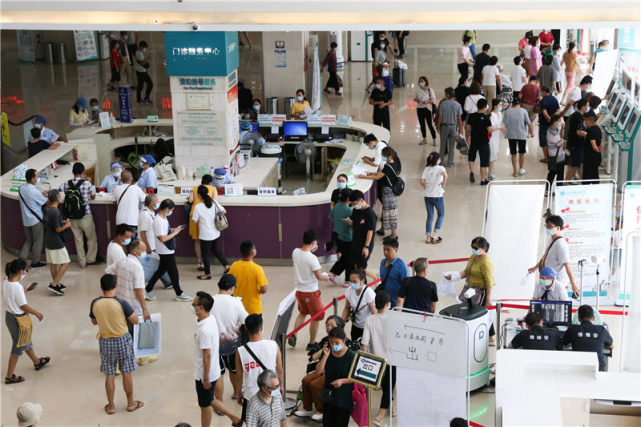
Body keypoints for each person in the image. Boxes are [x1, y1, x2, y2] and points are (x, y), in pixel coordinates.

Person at [90, 274, 143, 414]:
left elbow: (94, 321)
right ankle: (131, 403)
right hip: (122, 340)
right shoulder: (122, 303)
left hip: (105, 341)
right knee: (126, 372)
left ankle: (111, 406)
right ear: (116, 286)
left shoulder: (95, 303)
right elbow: (135, 320)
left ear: (101, 288)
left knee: (109, 374)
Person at [191, 291, 241, 427]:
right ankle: (235, 418)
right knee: (209, 399)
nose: (192, 307)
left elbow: (206, 355)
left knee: (205, 405)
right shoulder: (210, 318)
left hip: (205, 374)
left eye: (194, 304)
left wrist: (205, 378)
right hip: (212, 370)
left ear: (200, 308)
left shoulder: (204, 330)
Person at [105, 239, 157, 365]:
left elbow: (108, 271)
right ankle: (137, 357)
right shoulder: (137, 267)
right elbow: (139, 290)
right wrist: (145, 308)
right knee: (136, 331)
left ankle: (140, 355)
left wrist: (120, 282)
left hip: (121, 303)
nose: (145, 251)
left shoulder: (121, 261)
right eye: (143, 249)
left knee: (124, 331)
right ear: (135, 251)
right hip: (134, 306)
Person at [3, 259, 50, 385]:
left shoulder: (6, 281)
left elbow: (13, 298)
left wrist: (26, 291)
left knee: (25, 340)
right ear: (19, 271)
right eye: (24, 269)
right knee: (18, 347)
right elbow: (23, 305)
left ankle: (36, 361)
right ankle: (9, 377)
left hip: (9, 317)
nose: (25, 272)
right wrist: (37, 313)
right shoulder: (17, 287)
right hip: (19, 319)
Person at [295, 316, 347, 422]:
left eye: (332, 325)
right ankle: (307, 408)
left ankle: (322, 410)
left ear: (340, 327)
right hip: (322, 369)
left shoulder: (345, 342)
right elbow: (312, 357)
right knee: (306, 380)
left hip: (335, 373)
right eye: (327, 325)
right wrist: (323, 350)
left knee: (315, 384)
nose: (329, 327)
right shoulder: (325, 340)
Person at [446, 237, 496, 344]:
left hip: (480, 292)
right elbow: (466, 272)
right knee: (470, 311)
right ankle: (486, 336)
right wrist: (454, 277)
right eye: (472, 247)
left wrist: (488, 299)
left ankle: (485, 336)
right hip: (470, 289)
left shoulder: (486, 262)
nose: (473, 249)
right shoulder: (473, 256)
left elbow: (489, 282)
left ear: (483, 249)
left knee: (478, 313)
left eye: (475, 247)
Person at [236, 314, 284, 422]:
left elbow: (239, 377)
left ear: (246, 328)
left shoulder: (240, 351)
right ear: (261, 328)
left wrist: (239, 393)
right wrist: (281, 386)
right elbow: (280, 370)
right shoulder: (273, 345)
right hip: (271, 392)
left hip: (251, 396)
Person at [289, 230, 331, 349]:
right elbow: (319, 276)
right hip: (311, 292)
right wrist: (327, 277)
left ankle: (294, 335)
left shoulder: (295, 252)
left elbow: (304, 260)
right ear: (313, 242)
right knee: (316, 317)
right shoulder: (312, 259)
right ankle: (312, 343)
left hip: (299, 291)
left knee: (303, 313)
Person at [145, 199, 192, 302]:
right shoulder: (158, 221)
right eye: (171, 210)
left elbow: (166, 231)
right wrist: (176, 233)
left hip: (167, 249)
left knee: (160, 271)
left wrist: (176, 229)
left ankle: (147, 290)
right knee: (174, 273)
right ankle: (179, 293)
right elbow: (163, 238)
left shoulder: (164, 218)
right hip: (164, 250)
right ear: (167, 209)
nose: (172, 212)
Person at [212, 274, 248, 402]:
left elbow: (194, 310)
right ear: (232, 288)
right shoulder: (236, 302)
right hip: (232, 344)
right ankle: (237, 393)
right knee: (235, 370)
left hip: (213, 344)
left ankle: (219, 402)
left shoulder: (209, 300)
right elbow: (245, 320)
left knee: (219, 373)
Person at [362, 290, 394, 425]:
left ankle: (390, 408)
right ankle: (380, 415)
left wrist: (365, 360)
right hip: (392, 360)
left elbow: (364, 342)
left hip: (376, 360)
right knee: (389, 387)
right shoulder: (393, 318)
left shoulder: (370, 319)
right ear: (388, 304)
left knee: (385, 386)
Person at [528, 215, 580, 296]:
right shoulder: (552, 239)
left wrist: (573, 284)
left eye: (550, 226)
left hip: (557, 282)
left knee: (557, 305)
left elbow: (567, 264)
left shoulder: (561, 244)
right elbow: (546, 255)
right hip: (549, 281)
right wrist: (536, 267)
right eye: (546, 226)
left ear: (558, 228)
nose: (547, 229)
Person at [316, 326, 355, 427]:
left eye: (337, 343)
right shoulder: (327, 352)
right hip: (328, 395)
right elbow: (318, 372)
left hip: (344, 398)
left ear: (344, 340)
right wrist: (325, 356)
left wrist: (342, 381)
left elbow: (357, 378)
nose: (334, 345)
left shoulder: (351, 355)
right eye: (331, 342)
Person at [61, 162, 98, 268]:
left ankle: (82, 262)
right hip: (85, 215)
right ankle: (90, 259)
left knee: (78, 240)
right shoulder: (86, 184)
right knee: (91, 238)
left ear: (73, 172)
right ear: (83, 172)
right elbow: (93, 197)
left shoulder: (66, 184)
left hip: (72, 217)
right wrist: (91, 183)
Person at [357, 146, 400, 239]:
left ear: (389, 156)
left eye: (383, 156)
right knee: (386, 211)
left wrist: (364, 177)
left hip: (389, 192)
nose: (382, 158)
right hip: (390, 191)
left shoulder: (388, 166)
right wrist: (370, 173)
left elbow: (378, 177)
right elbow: (381, 174)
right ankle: (383, 229)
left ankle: (394, 234)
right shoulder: (393, 163)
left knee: (390, 212)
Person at [192, 185, 229, 280]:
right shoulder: (214, 203)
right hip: (215, 232)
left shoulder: (198, 207)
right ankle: (226, 266)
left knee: (205, 254)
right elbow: (224, 211)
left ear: (199, 195)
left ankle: (207, 274)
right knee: (215, 249)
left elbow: (194, 220)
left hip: (205, 235)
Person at [562, 305, 614, 371]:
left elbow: (564, 344)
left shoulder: (572, 329)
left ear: (578, 318)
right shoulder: (601, 329)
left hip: (578, 369)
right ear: (593, 318)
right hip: (597, 370)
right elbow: (611, 345)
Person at [42, 190, 71, 295]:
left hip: (48, 239)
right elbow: (58, 230)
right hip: (56, 241)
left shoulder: (47, 209)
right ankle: (54, 284)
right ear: (58, 198)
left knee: (53, 263)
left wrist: (61, 222)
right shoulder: (55, 211)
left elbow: (50, 223)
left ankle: (57, 284)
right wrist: (66, 225)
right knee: (66, 262)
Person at [229, 240, 269, 316]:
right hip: (253, 309)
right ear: (252, 253)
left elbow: (230, 284)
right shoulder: (257, 269)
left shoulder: (234, 266)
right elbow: (264, 289)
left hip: (237, 307)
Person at [18, 169, 47, 268]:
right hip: (36, 220)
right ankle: (35, 262)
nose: (38, 178)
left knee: (28, 240)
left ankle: (20, 260)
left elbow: (31, 197)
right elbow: (45, 202)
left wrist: (41, 194)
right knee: (37, 241)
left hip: (26, 220)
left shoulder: (21, 188)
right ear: (32, 179)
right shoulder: (34, 190)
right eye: (37, 176)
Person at [188, 175, 218, 271]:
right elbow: (216, 201)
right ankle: (206, 264)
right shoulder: (213, 188)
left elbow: (190, 200)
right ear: (210, 182)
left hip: (194, 216)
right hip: (206, 216)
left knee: (197, 241)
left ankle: (199, 261)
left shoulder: (195, 188)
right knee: (206, 242)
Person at [346, 190, 377, 278]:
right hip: (355, 242)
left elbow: (370, 231)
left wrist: (366, 247)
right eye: (352, 204)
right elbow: (355, 223)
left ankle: (377, 278)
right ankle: (362, 283)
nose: (354, 205)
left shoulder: (370, 214)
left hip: (364, 244)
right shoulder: (356, 210)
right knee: (355, 266)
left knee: (361, 268)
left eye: (355, 203)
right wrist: (350, 222)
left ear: (362, 201)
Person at [341, 269, 376, 342]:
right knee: (355, 344)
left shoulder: (369, 293)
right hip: (355, 325)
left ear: (362, 281)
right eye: (350, 281)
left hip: (367, 327)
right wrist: (341, 324)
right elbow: (347, 308)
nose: (352, 284)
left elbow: (374, 312)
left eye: (354, 282)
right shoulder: (349, 291)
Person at [420, 152, 447, 244]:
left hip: (427, 196)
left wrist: (426, 188)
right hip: (438, 196)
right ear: (437, 160)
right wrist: (443, 183)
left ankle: (428, 237)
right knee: (441, 214)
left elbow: (422, 181)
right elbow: (445, 175)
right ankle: (435, 235)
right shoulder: (441, 168)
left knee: (430, 216)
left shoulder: (426, 169)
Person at [503, 97, 532, 177]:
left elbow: (505, 123)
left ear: (512, 104)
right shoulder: (523, 111)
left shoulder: (508, 112)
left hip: (511, 135)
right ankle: (521, 169)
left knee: (513, 153)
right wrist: (531, 133)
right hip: (521, 135)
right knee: (522, 153)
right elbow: (529, 123)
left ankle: (515, 171)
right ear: (520, 104)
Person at [466, 98, 492, 185]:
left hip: (474, 140)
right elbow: (489, 130)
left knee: (471, 157)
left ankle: (471, 171)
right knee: (483, 161)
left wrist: (468, 138)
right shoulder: (486, 118)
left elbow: (467, 128)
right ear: (485, 107)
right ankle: (483, 179)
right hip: (484, 142)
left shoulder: (471, 116)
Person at [329, 189, 353, 282]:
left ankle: (333, 274)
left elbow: (330, 216)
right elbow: (353, 224)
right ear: (348, 198)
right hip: (348, 238)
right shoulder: (349, 210)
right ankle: (347, 280)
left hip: (339, 236)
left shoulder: (337, 206)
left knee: (344, 257)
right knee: (349, 260)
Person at [437, 87, 464, 166]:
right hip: (453, 127)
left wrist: (438, 127)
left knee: (443, 144)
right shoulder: (458, 105)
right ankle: (450, 162)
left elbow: (440, 117)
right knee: (451, 145)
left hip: (444, 126)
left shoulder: (443, 104)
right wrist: (461, 129)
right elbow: (459, 119)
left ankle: (441, 161)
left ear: (447, 95)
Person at [378, 237, 409, 307]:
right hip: (384, 302)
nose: (385, 252)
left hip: (395, 304)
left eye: (388, 250)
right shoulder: (382, 262)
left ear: (396, 250)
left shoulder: (402, 266)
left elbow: (406, 287)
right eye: (384, 249)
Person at [564, 99, 589, 181]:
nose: (587, 108)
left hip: (577, 145)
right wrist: (589, 135)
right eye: (587, 106)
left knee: (580, 166)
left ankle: (583, 184)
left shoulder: (577, 115)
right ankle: (564, 186)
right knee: (573, 168)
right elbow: (579, 131)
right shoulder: (578, 116)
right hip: (575, 146)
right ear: (583, 107)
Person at [538, 86, 561, 162]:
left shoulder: (543, 100)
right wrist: (553, 119)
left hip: (544, 123)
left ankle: (546, 158)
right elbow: (558, 110)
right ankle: (553, 156)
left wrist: (549, 119)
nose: (540, 93)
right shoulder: (554, 99)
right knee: (553, 139)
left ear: (544, 91)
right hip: (554, 124)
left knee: (543, 140)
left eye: (541, 91)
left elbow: (544, 112)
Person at [414, 76, 437, 145]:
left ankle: (434, 139)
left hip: (428, 109)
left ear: (426, 82)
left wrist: (427, 101)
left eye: (422, 81)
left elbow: (434, 100)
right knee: (422, 124)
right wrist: (417, 100)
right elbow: (415, 99)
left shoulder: (430, 90)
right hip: (420, 109)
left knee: (430, 125)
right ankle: (424, 139)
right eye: (419, 81)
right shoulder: (417, 90)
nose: (420, 83)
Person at [545, 114, 566, 189]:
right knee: (558, 176)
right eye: (559, 121)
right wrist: (564, 141)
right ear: (554, 122)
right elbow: (560, 142)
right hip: (557, 158)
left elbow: (561, 138)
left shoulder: (553, 129)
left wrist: (562, 129)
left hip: (555, 156)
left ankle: (548, 190)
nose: (560, 123)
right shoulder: (552, 133)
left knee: (552, 174)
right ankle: (559, 191)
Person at [583, 113, 603, 183]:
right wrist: (600, 150)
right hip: (596, 158)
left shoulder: (591, 131)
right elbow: (601, 141)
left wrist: (598, 150)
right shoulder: (598, 128)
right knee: (595, 175)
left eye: (585, 122)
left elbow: (594, 146)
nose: (585, 123)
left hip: (590, 158)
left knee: (587, 177)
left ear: (589, 121)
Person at [487, 98, 503, 180]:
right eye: (500, 104)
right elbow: (490, 128)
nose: (501, 106)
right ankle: (490, 174)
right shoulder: (492, 115)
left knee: (494, 155)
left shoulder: (500, 114)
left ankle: (489, 171)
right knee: (492, 156)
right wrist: (500, 128)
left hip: (497, 138)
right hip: (491, 138)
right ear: (495, 106)